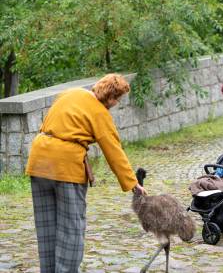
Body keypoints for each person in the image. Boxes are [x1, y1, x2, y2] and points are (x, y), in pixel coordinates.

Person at [26, 73, 147, 273]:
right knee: (71, 228)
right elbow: (113, 151)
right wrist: (133, 183)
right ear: (110, 97)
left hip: (39, 160)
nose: (116, 103)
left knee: (46, 226)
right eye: (117, 98)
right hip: (66, 166)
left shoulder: (69, 93)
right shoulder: (99, 112)